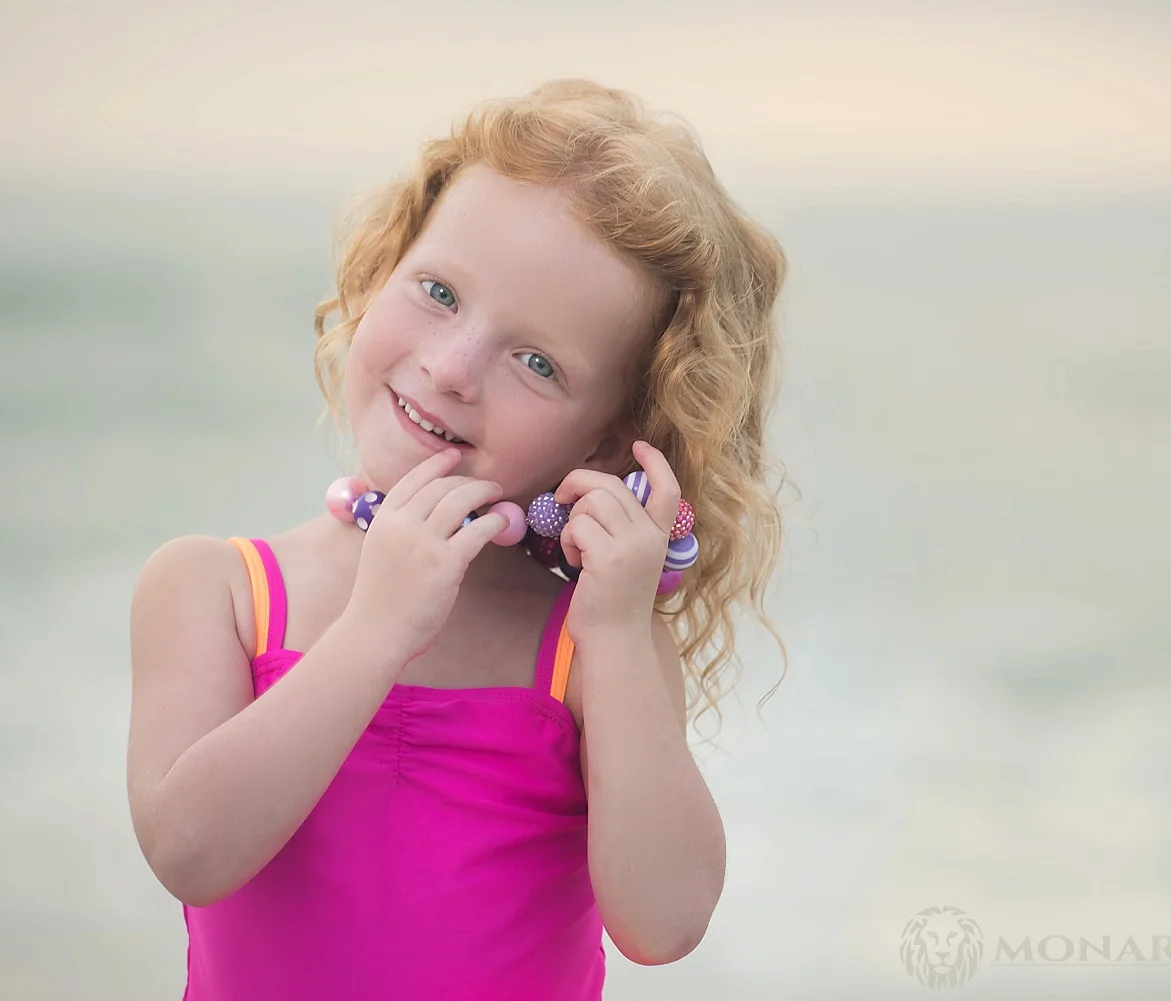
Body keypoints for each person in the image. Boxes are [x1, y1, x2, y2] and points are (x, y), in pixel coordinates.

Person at [125, 78, 790, 1000]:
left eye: (538, 362)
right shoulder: (215, 590)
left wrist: (615, 629)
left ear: (609, 438)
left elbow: (666, 920)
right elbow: (191, 850)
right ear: (380, 268)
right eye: (438, 291)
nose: (449, 367)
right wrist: (376, 628)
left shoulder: (595, 644)